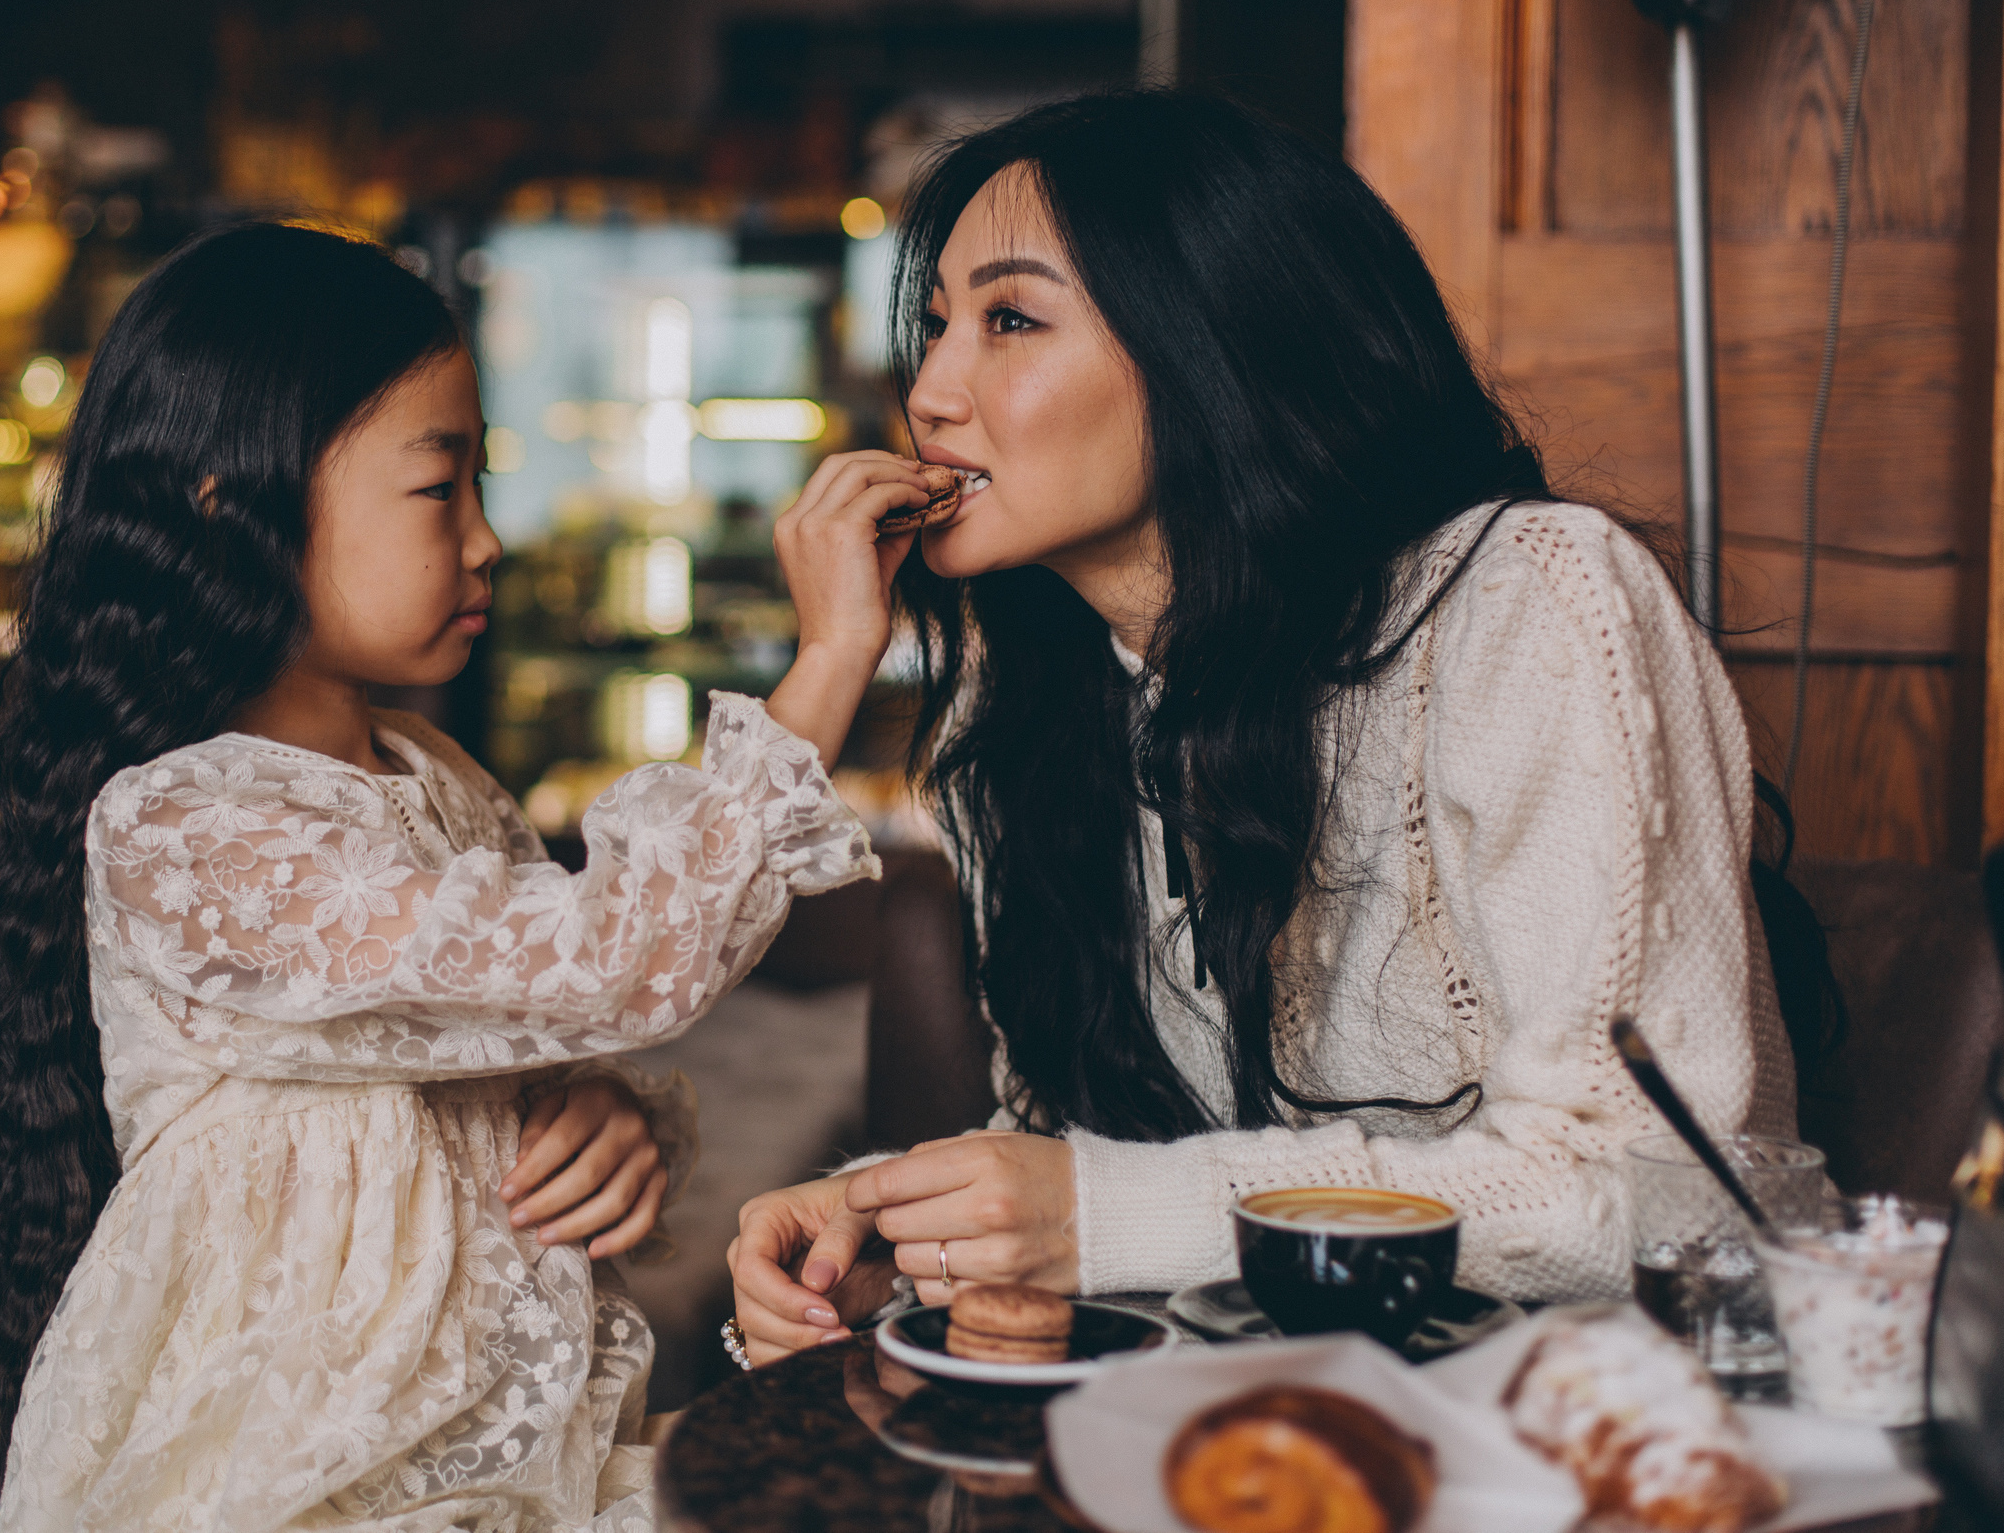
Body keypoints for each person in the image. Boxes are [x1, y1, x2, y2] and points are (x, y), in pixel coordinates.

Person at [726, 89, 1822, 1366]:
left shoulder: (1528, 600)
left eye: (1010, 321)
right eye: (933, 329)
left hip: (1585, 1437)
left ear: (1214, 343)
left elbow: (1642, 1187)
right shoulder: (1026, 698)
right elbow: (1082, 1153)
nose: (928, 394)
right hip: (1235, 1429)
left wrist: (1089, 1215)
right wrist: (904, 1242)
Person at [0, 222, 934, 1530]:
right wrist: (827, 660)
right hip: (298, 1491)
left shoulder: (438, 775)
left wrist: (597, 1110)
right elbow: (614, 957)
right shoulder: (186, 825)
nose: (488, 539)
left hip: (515, 1472)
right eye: (437, 487)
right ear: (227, 500)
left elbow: (511, 1026)